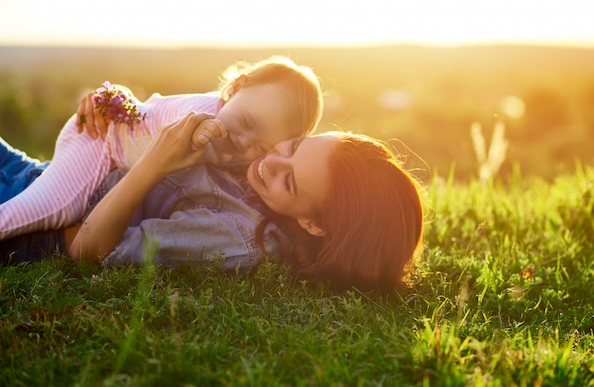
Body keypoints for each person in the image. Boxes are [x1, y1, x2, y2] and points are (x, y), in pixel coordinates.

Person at [1, 113, 425, 292]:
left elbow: (88, 250)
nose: (270, 162)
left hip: (37, 218)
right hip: (49, 175)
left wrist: (153, 164)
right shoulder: (262, 164)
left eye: (290, 181)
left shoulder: (238, 236)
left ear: (315, 225)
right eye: (293, 146)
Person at [0, 55, 323, 240]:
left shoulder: (246, 153)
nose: (243, 142)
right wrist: (112, 95)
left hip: (67, 160)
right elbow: (183, 129)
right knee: (55, 206)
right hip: (99, 140)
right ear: (235, 88)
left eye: (262, 146)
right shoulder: (201, 112)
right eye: (248, 123)